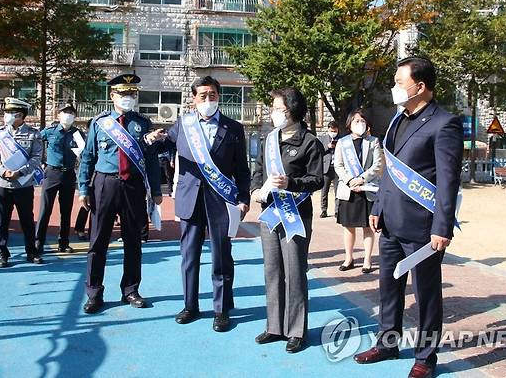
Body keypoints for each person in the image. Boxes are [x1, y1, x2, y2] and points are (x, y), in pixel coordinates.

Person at [353, 57, 463, 378]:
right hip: (390, 222)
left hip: (423, 228)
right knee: (389, 286)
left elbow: (447, 180)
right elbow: (390, 170)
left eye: (400, 82)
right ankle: (387, 342)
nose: (395, 88)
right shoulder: (397, 119)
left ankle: (426, 358)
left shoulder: (444, 123)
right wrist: (378, 207)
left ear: (420, 86)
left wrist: (442, 227)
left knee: (427, 294)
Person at [147, 75, 251, 332]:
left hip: (221, 200)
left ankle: (222, 309)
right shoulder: (183, 125)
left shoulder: (234, 128)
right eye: (202, 95)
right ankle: (190, 305)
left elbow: (242, 168)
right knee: (189, 256)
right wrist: (151, 139)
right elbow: (161, 147)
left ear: (219, 97)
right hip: (189, 198)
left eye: (212, 95)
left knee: (221, 256)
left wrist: (244, 197)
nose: (208, 100)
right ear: (193, 99)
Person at [78, 74, 162, 314]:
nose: (128, 98)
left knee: (133, 240)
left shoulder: (143, 123)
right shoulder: (99, 123)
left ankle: (131, 290)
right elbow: (88, 157)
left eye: (132, 94)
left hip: (133, 185)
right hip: (104, 184)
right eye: (123, 94)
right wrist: (83, 188)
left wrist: (156, 191)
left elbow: (152, 159)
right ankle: (94, 292)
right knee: (98, 241)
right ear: (112, 95)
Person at [250, 87, 324, 353]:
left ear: (291, 111)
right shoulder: (269, 139)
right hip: (270, 215)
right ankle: (274, 326)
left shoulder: (310, 142)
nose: (273, 113)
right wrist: (255, 190)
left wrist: (291, 182)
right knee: (272, 271)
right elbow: (258, 170)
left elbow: (317, 179)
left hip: (295, 215)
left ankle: (296, 330)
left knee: (294, 272)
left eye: (277, 108)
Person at [0, 97, 44, 268]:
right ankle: (2, 253)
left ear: (20, 115)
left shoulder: (33, 134)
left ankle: (31, 252)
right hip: (3, 184)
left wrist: (20, 172)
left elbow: (37, 158)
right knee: (2, 221)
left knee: (27, 220)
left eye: (11, 113)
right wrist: (3, 171)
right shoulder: (0, 134)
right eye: (7, 113)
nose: (7, 115)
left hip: (23, 184)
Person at [334, 109, 384, 273]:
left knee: (368, 227)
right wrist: (350, 181)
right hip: (349, 191)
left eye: (363, 121)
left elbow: (377, 165)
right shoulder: (343, 143)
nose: (360, 124)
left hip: (367, 189)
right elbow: (338, 165)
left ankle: (367, 260)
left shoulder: (373, 141)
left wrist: (362, 179)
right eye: (356, 121)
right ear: (349, 124)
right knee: (348, 226)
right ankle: (349, 258)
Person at [35, 103, 85, 254]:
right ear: (58, 115)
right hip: (52, 173)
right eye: (65, 112)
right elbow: (36, 143)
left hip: (68, 174)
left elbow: (84, 152)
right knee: (45, 209)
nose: (68, 115)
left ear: (75, 117)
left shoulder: (78, 134)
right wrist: (41, 162)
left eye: (71, 112)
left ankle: (63, 242)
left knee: (66, 211)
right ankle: (38, 243)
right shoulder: (50, 131)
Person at [318, 121, 340, 218]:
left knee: (337, 191)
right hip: (326, 168)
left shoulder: (341, 139)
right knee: (324, 191)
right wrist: (327, 147)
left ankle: (337, 211)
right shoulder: (323, 139)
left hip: (337, 168)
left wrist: (337, 146)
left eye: (335, 131)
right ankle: (324, 210)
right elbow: (318, 151)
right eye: (331, 131)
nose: (333, 132)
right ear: (328, 130)